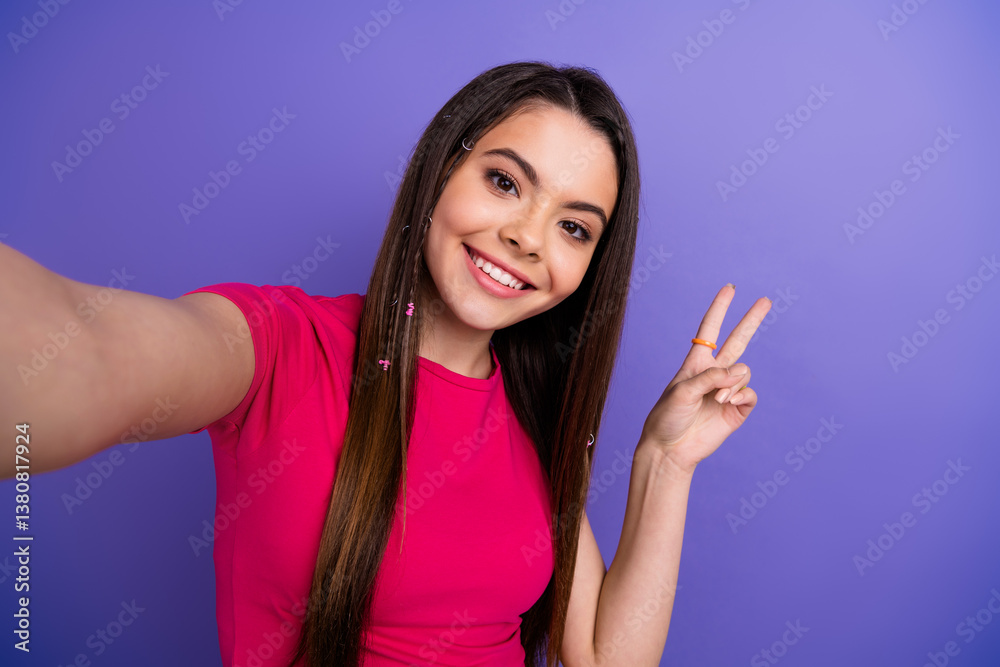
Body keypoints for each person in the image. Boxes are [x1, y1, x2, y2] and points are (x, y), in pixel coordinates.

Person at [1, 61, 772, 667]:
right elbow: (83, 351)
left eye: (573, 227)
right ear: (440, 171)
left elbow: (602, 656)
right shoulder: (283, 346)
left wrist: (665, 462)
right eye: (505, 182)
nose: (528, 237)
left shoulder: (531, 422)